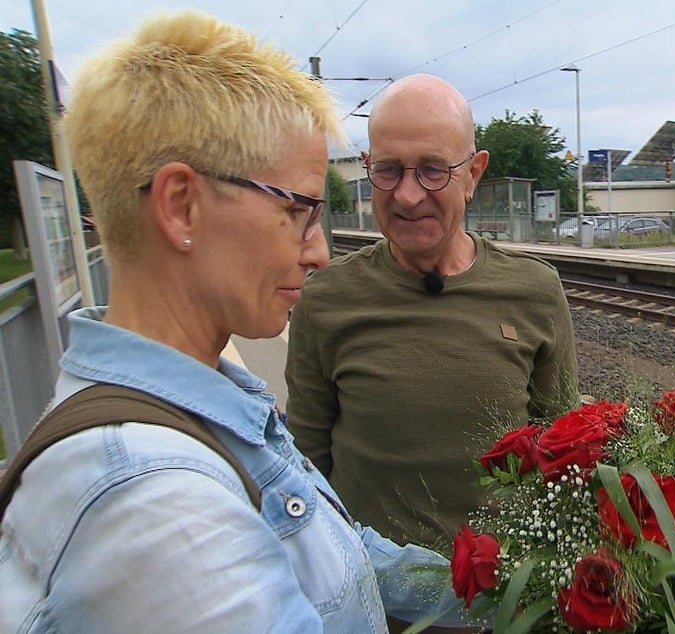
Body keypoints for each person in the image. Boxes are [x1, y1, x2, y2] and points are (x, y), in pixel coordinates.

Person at [0, 13, 479, 633]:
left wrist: (518, 585)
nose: (319, 251)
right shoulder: (158, 504)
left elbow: (344, 553)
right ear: (181, 206)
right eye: (299, 210)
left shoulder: (204, 403)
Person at [285, 74, 580, 553]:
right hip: (377, 608)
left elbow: (565, 452)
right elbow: (306, 463)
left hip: (508, 607)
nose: (407, 194)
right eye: (388, 170)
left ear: (473, 174)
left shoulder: (535, 292)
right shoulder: (326, 301)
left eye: (432, 170)